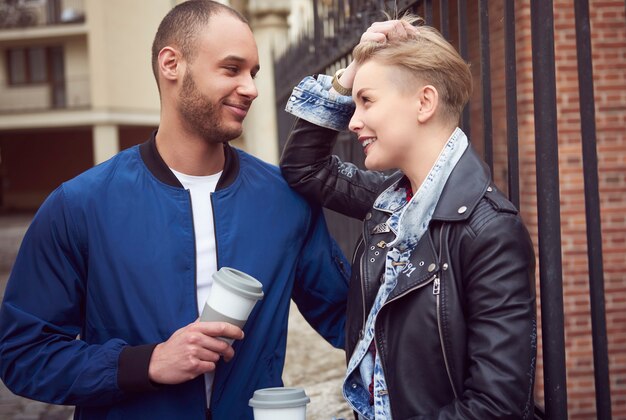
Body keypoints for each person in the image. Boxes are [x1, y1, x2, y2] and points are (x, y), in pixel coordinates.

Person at [0, 1, 349, 419]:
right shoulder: (79, 205)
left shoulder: (285, 199)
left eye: (253, 73)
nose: (252, 88)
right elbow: (23, 355)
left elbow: (352, 319)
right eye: (231, 68)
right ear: (172, 64)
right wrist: (146, 363)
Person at [280, 16, 537, 419]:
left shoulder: (490, 231)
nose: (352, 120)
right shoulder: (389, 202)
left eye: (367, 101)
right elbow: (304, 169)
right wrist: (347, 79)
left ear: (424, 102)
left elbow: (494, 406)